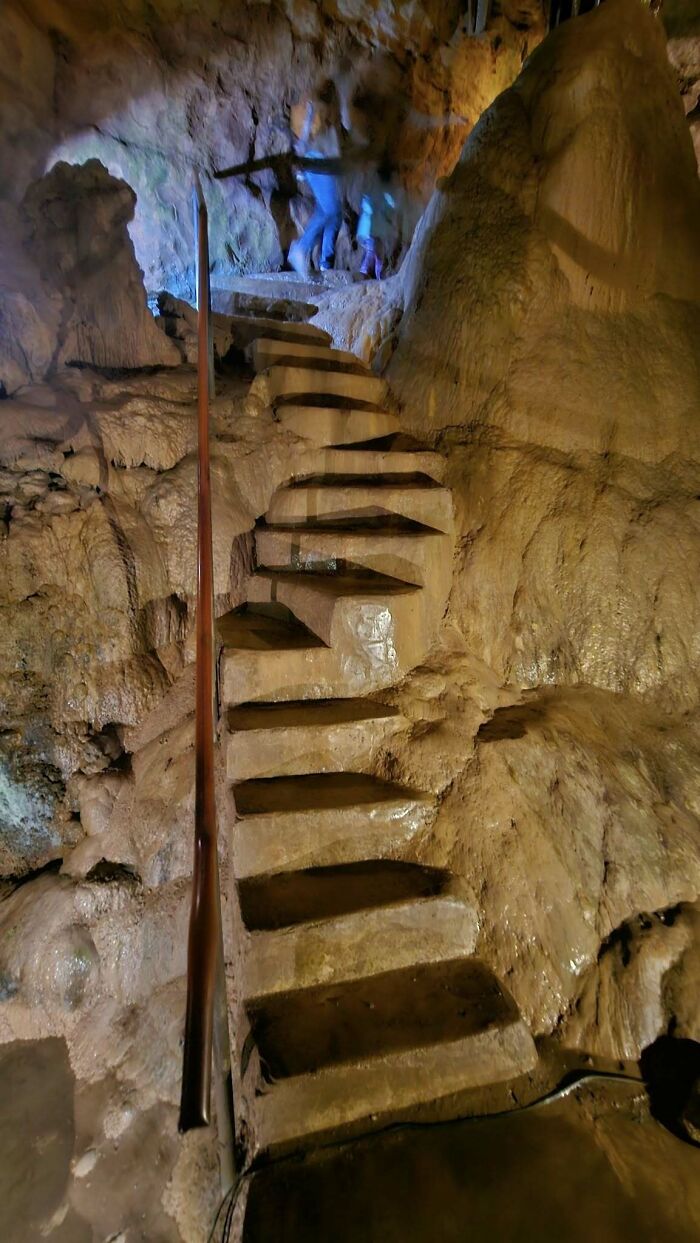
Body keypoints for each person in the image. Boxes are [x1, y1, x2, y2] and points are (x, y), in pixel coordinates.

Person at [288, 81, 344, 277]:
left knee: (334, 214)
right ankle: (300, 250)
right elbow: (305, 138)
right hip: (317, 161)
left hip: (326, 163)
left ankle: (326, 264)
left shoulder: (329, 110)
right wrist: (302, 164)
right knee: (331, 210)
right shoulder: (317, 108)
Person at [357, 160, 396, 280]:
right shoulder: (385, 193)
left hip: (367, 230)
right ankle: (363, 272)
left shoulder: (372, 190)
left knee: (378, 253)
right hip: (370, 230)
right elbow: (391, 208)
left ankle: (379, 277)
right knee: (372, 250)